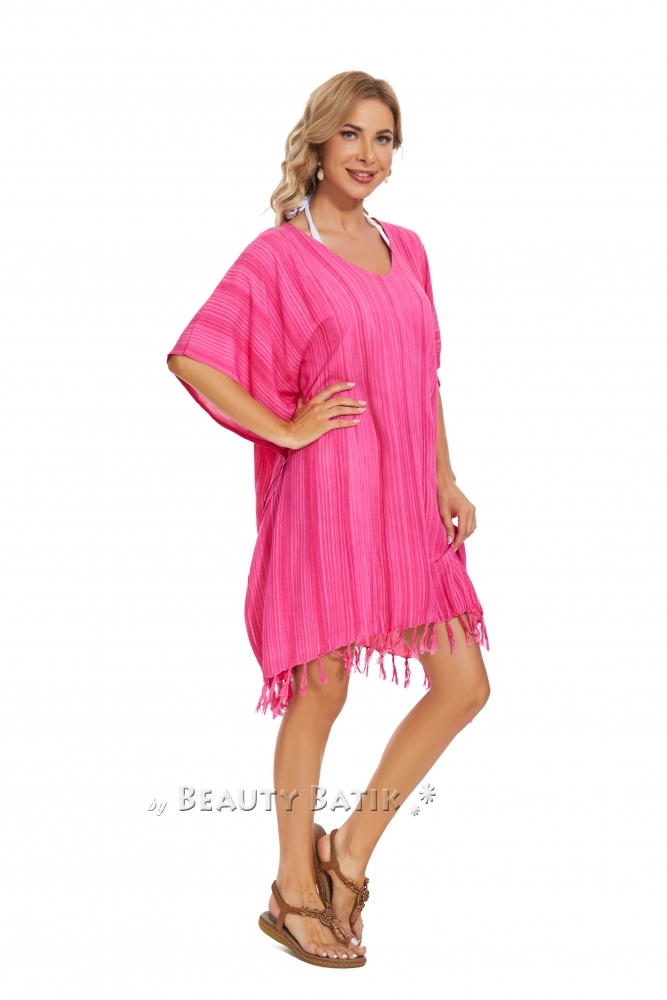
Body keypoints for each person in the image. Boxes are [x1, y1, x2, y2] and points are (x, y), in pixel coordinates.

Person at [166, 70, 491, 969]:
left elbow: (421, 375)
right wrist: (284, 428)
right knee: (322, 689)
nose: (368, 154)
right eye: (351, 134)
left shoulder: (408, 248)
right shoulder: (279, 254)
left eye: (384, 138)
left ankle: (346, 853)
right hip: (325, 496)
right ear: (317, 142)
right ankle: (292, 890)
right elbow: (195, 357)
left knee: (463, 685)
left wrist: (445, 477)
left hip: (403, 499)